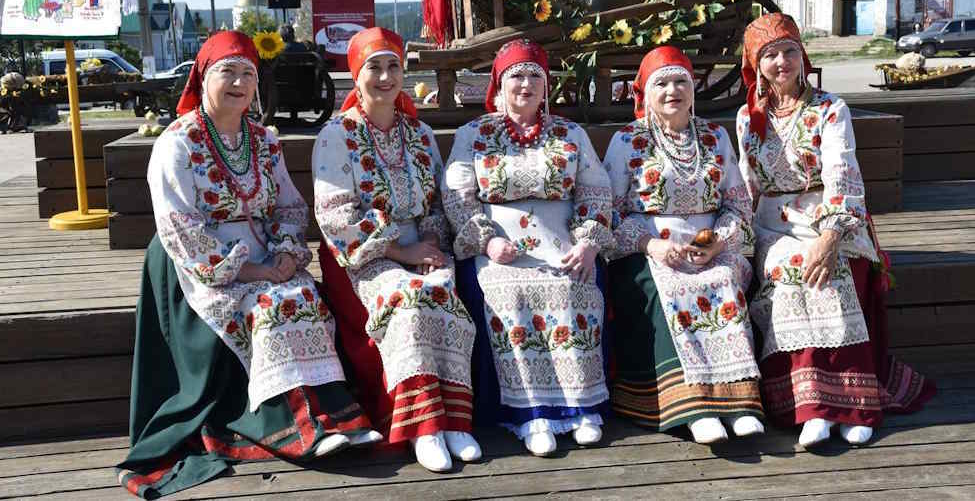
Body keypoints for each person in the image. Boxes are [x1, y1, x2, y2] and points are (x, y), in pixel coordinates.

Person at [117, 31, 379, 499]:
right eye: (227, 72)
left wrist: (282, 252)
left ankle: (335, 417)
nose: (238, 82)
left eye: (247, 74)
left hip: (265, 255)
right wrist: (253, 271)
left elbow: (290, 208)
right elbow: (180, 228)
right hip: (198, 266)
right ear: (202, 77)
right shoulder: (176, 144)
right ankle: (298, 429)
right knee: (272, 306)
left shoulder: (263, 140)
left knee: (304, 297)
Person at [737, 13, 935, 449]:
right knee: (790, 275)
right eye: (770, 54)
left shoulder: (830, 108)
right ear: (756, 65)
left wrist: (829, 237)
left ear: (803, 56)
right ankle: (810, 409)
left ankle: (855, 405)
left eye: (790, 51)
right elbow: (747, 185)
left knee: (830, 272)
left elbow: (842, 172)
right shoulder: (747, 117)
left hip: (830, 216)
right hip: (772, 224)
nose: (783, 62)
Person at [314, 27, 479, 473]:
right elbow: (336, 216)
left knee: (444, 289)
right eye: (374, 67)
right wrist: (402, 253)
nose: (385, 77)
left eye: (393, 67)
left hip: (419, 244)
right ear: (355, 75)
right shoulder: (337, 135)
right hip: (361, 254)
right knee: (407, 299)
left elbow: (436, 203)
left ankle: (453, 419)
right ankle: (422, 425)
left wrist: (431, 247)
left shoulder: (421, 134)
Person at [443, 39, 614, 457]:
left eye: (534, 76)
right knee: (509, 294)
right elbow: (457, 194)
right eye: (515, 76)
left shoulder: (570, 133)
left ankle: (581, 407)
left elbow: (597, 190)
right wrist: (486, 238)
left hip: (561, 242)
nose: (525, 84)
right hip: (500, 247)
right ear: (498, 86)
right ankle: (530, 414)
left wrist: (589, 242)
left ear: (546, 86)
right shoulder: (474, 134)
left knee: (574, 287)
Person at [602, 46, 766, 444]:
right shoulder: (627, 141)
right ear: (645, 92)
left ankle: (739, 405)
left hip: (709, 245)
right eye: (662, 82)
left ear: (693, 91)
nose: (672, 90)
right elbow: (608, 213)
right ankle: (693, 409)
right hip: (648, 251)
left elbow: (737, 203)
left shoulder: (714, 136)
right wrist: (650, 245)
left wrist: (716, 241)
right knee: (671, 286)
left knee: (724, 278)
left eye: (681, 82)